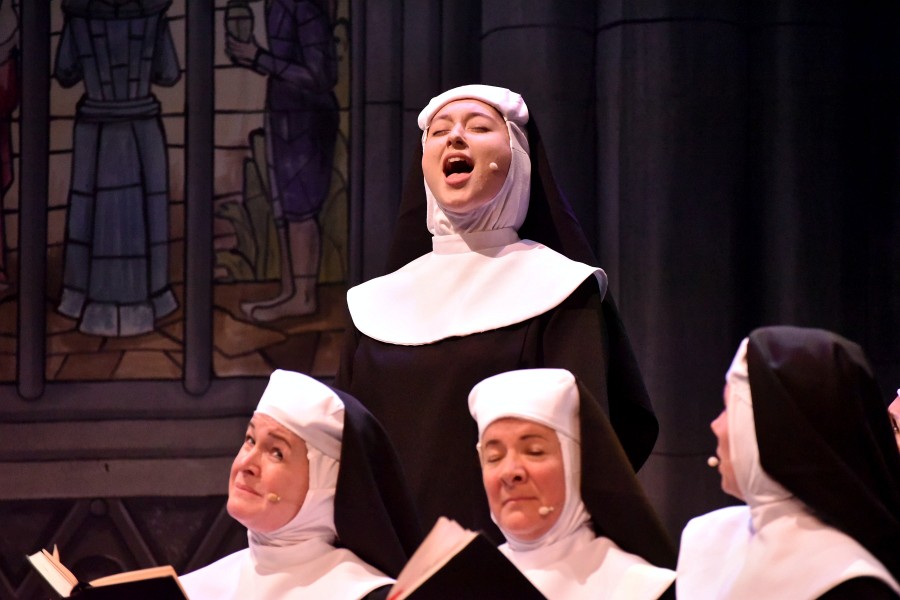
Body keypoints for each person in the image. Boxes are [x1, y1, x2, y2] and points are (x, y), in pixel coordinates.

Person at [336, 84, 658, 538]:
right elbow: (348, 457)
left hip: (518, 556)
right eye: (439, 131)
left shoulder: (560, 289)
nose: (455, 137)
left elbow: (590, 448)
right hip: (394, 559)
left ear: (518, 158)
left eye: (479, 127)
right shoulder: (373, 306)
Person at [677, 326, 900, 599]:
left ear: (766, 432)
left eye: (728, 409)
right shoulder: (710, 537)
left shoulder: (851, 583)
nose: (715, 425)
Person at [180, 369, 422, 599]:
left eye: (276, 453)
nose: (247, 463)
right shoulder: (187, 591)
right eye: (250, 440)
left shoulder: (366, 595)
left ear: (326, 482)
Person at [467, 368, 676, 599]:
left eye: (534, 451)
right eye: (494, 457)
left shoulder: (643, 590)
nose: (509, 472)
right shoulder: (465, 585)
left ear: (575, 463)